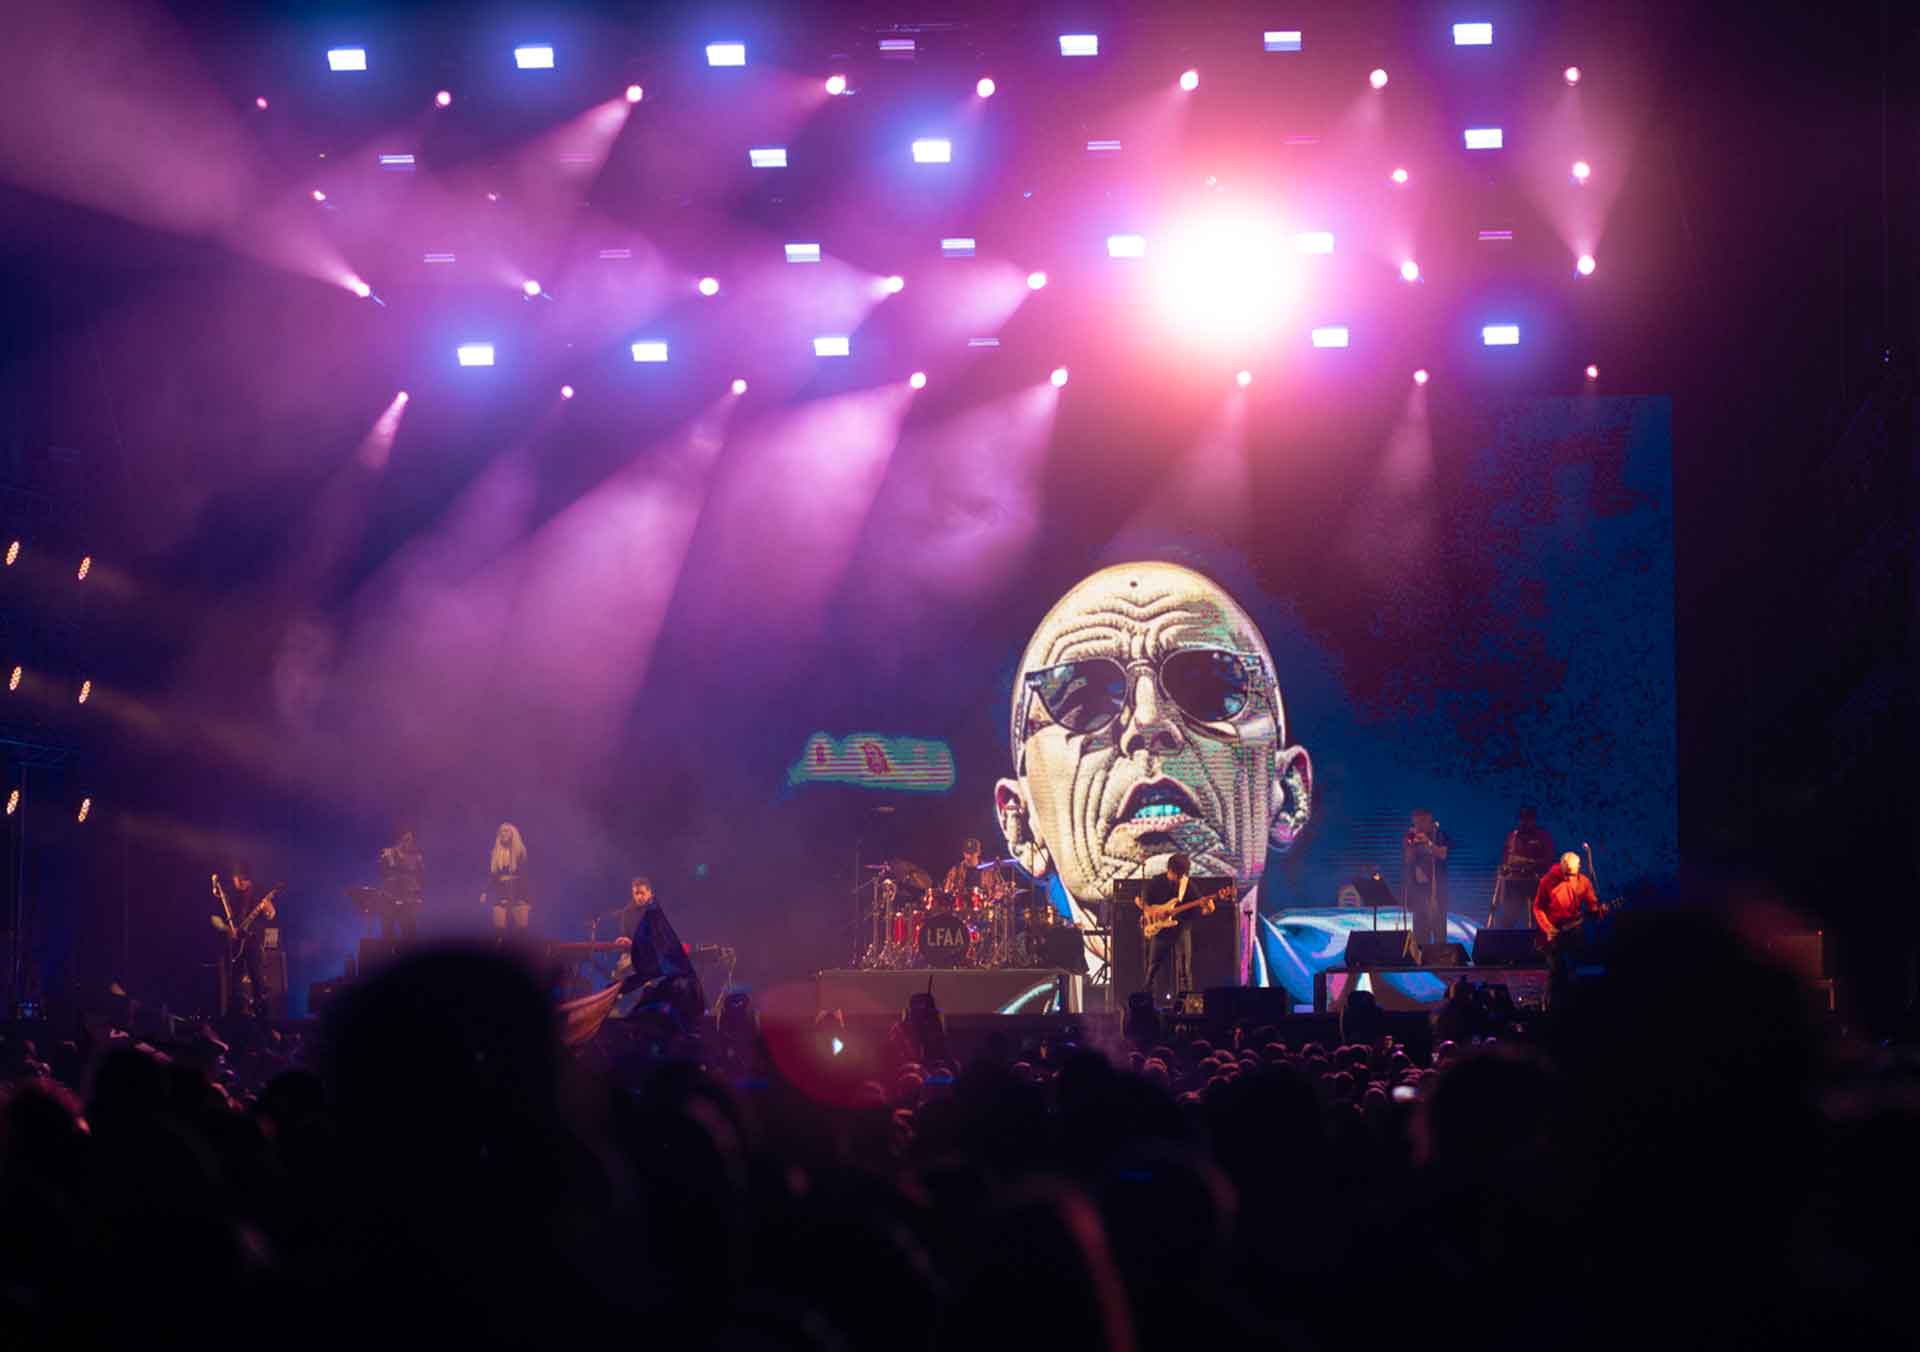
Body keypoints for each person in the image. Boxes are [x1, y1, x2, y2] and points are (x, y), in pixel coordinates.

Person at [993, 561, 1313, 986]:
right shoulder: (1014, 1038)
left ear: (1288, 796)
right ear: (1021, 825)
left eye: (1209, 690)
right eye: (1083, 702)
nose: (1147, 722)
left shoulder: (1363, 989)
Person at [615, 877, 705, 1025]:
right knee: (622, 971)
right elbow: (627, 937)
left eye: (642, 893)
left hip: (658, 956)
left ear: (650, 892)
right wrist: (624, 940)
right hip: (634, 955)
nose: (639, 896)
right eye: (636, 893)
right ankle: (624, 1008)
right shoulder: (627, 913)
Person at [1138, 853, 1214, 1007]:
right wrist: (1151, 912)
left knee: (1185, 971)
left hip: (1181, 928)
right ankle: (1145, 1004)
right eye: (1176, 874)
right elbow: (1140, 901)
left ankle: (1187, 1006)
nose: (1179, 878)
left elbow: (1201, 909)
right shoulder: (1156, 882)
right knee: (1153, 968)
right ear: (1169, 870)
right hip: (1161, 930)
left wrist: (1208, 909)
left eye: (1182, 875)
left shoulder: (1188, 885)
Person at [211, 864, 276, 1018]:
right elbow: (222, 909)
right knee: (234, 980)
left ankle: (263, 1016)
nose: (238, 883)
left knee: (257, 978)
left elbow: (272, 914)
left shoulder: (259, 892)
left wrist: (268, 910)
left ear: (246, 880)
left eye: (241, 880)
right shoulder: (233, 894)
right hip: (236, 942)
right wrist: (228, 930)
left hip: (253, 940)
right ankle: (236, 1015)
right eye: (236, 880)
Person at [1491, 807, 1556, 927]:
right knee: (1509, 917)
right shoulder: (1513, 835)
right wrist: (1505, 867)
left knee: (1538, 918)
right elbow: (1506, 857)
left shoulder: (1542, 836)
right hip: (1515, 882)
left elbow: (1549, 859)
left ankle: (1540, 943)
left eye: (1528, 819)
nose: (1524, 823)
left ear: (1534, 820)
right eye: (1522, 819)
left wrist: (1529, 862)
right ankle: (1506, 942)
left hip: (1536, 882)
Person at [1402, 809, 1451, 948]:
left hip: (1437, 890)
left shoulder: (1439, 835)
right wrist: (1409, 845)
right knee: (1420, 931)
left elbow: (1442, 854)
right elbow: (1407, 860)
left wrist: (1428, 842)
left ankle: (1440, 961)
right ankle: (1421, 961)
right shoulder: (1412, 836)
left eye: (1420, 822)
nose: (1418, 826)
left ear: (1428, 820)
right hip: (1419, 890)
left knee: (1439, 929)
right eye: (1415, 822)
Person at [484, 823, 531, 934]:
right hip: (502, 892)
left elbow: (526, 876)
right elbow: (493, 875)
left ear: (512, 834)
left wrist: (527, 898)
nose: (503, 833)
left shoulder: (520, 852)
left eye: (506, 831)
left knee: (521, 927)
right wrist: (485, 891)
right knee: (499, 927)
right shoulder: (496, 853)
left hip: (518, 891)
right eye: (501, 831)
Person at [377, 828, 425, 939]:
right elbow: (384, 872)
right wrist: (388, 859)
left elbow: (420, 879)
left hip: (408, 899)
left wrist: (418, 895)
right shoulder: (388, 853)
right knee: (387, 933)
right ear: (400, 839)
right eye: (406, 839)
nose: (409, 842)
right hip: (390, 898)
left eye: (411, 839)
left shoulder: (416, 857)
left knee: (409, 933)